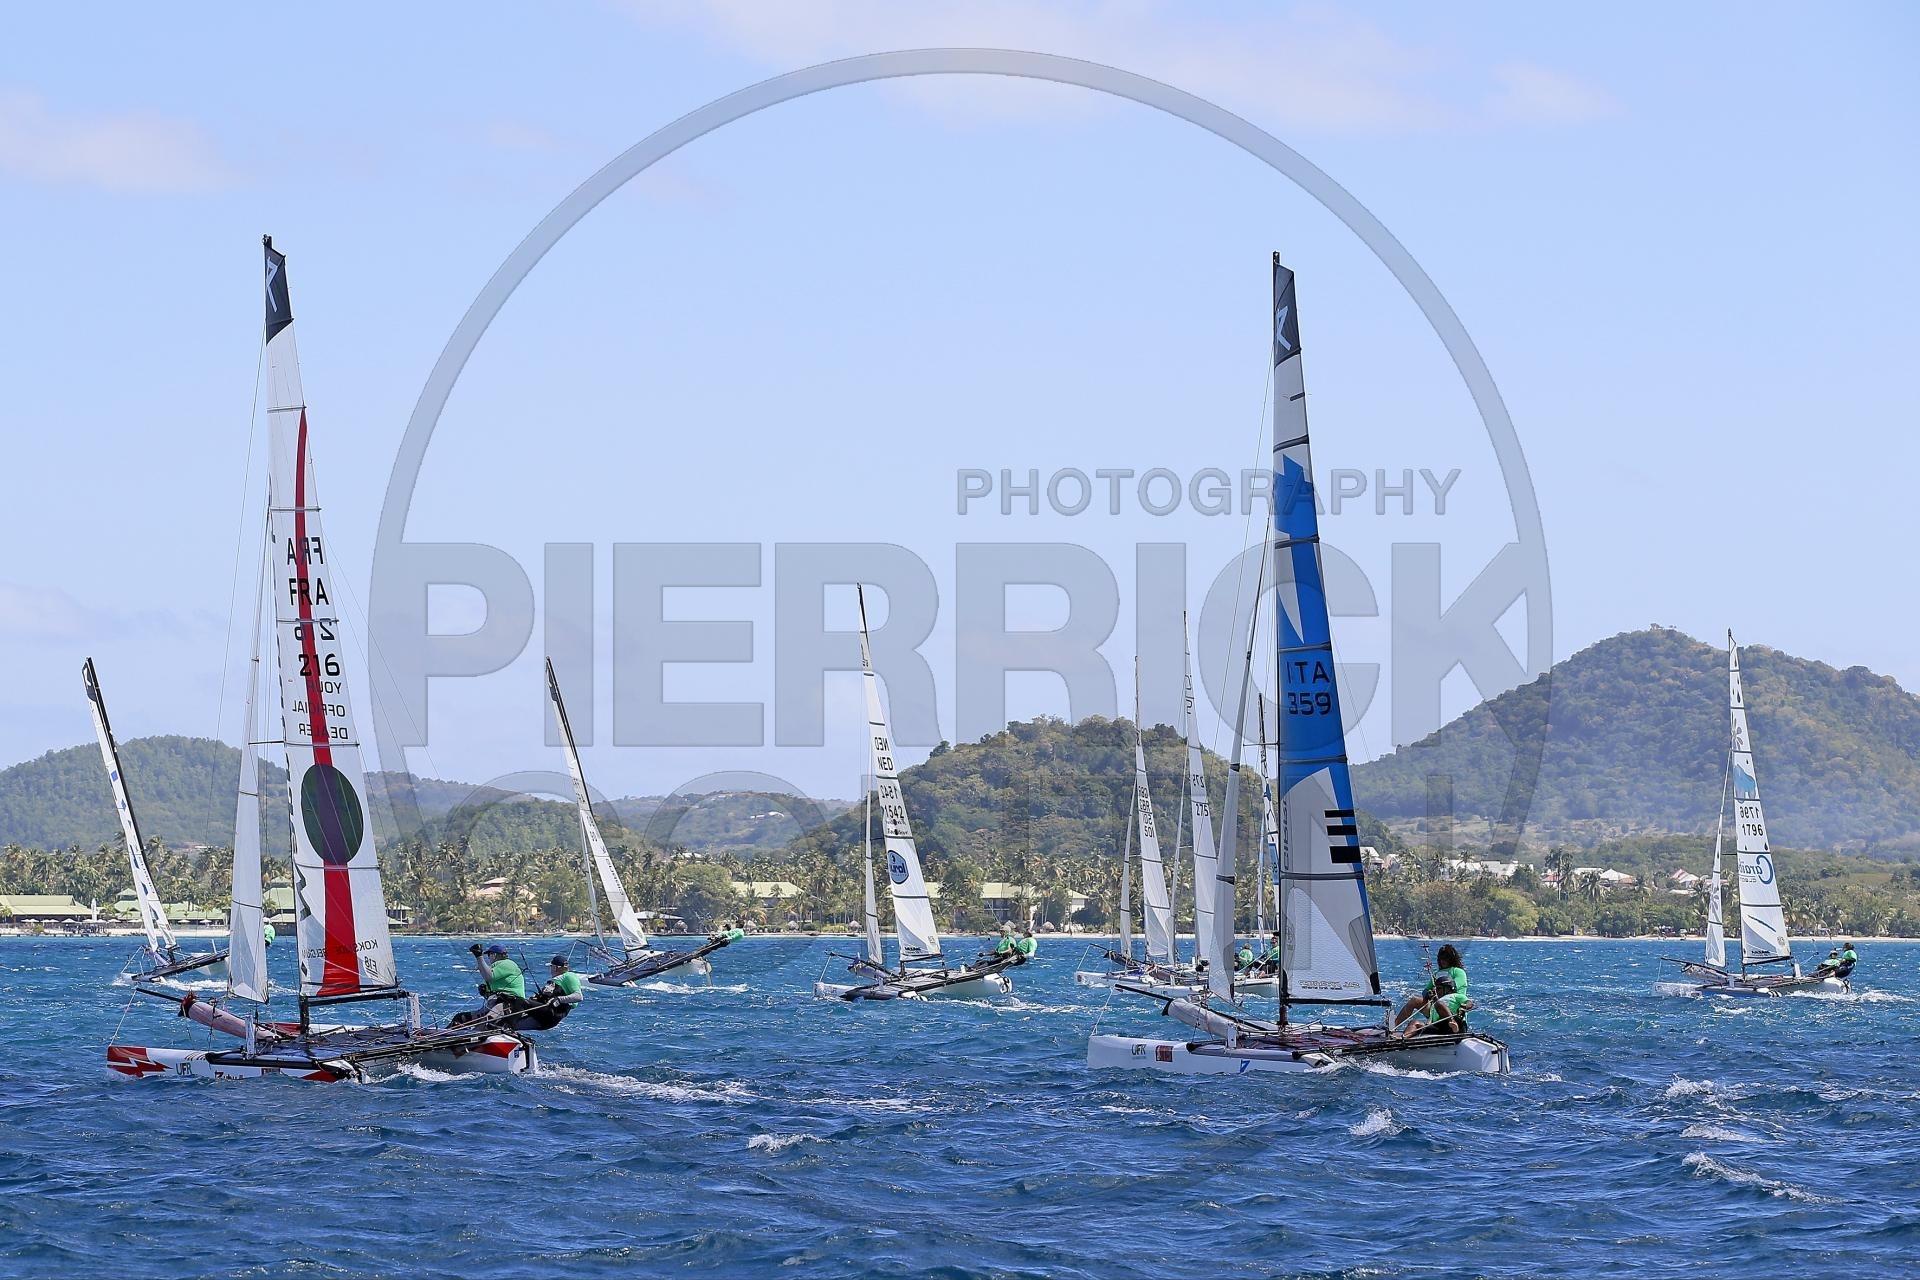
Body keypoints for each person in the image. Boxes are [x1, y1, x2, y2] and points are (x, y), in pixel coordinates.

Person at [452, 942, 533, 1026]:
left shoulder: (506, 963)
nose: (489, 958)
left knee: (483, 1023)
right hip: (502, 1004)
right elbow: (495, 989)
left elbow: (488, 976)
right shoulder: (500, 967)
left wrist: (479, 956)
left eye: (489, 955)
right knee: (461, 1018)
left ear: (494, 955)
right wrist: (485, 992)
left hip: (510, 1005)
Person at [499, 955, 585, 1031]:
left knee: (520, 1002)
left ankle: (508, 1026)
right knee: (511, 1001)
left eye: (551, 967)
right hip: (542, 1013)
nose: (551, 969)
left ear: (555, 968)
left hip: (550, 1015)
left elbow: (579, 996)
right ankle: (503, 1027)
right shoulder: (555, 980)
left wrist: (558, 999)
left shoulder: (569, 976)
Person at [1395, 944, 1468, 1030]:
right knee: (1414, 1000)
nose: (1443, 961)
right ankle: (1394, 1027)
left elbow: (1453, 988)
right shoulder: (1436, 973)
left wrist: (1438, 990)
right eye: (1441, 958)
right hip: (1436, 1008)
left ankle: (1452, 1023)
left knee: (1440, 1003)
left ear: (1451, 958)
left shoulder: (1458, 972)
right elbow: (1425, 990)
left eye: (1446, 958)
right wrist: (1428, 994)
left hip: (1452, 1008)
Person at [1397, 970, 1472, 1037]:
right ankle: (1403, 1038)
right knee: (1414, 1022)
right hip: (1440, 1028)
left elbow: (1469, 1003)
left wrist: (1465, 1007)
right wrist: (1428, 996)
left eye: (1439, 988)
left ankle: (1452, 1023)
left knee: (1438, 1004)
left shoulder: (1456, 996)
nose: (1436, 991)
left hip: (1457, 1026)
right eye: (1435, 989)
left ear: (1448, 988)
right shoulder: (1434, 1003)